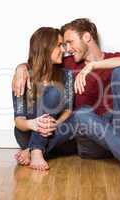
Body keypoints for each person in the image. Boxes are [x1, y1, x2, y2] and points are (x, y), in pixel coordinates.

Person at [12, 18, 120, 176]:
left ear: (86, 37)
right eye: (63, 45)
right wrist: (20, 68)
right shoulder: (68, 64)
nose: (67, 49)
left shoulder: (114, 59)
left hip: (119, 130)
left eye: (70, 42)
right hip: (89, 136)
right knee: (82, 113)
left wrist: (93, 65)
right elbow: (41, 60)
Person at [13, 27, 76, 170]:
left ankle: (33, 150)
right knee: (54, 92)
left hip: (53, 131)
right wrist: (34, 124)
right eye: (59, 45)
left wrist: (54, 123)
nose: (64, 49)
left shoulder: (66, 75)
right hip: (26, 132)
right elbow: (19, 120)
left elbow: (68, 110)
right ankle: (36, 150)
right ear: (46, 47)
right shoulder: (22, 77)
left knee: (79, 117)